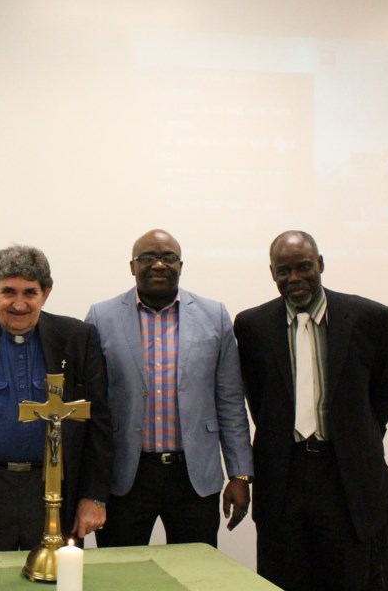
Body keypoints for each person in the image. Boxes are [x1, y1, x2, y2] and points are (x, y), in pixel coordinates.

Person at [234, 230, 388, 590]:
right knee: (283, 578)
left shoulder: (369, 318)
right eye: (284, 271)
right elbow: (256, 396)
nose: (294, 278)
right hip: (283, 476)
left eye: (304, 267)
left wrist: (356, 434)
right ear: (272, 274)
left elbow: (386, 390)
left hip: (345, 478)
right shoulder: (252, 326)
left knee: (348, 578)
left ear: (321, 264)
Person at [0, 245, 112, 551]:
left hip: (55, 490)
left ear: (46, 293)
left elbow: (100, 423)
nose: (19, 304)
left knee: (55, 581)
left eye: (30, 292)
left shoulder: (78, 339)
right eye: (8, 292)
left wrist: (94, 496)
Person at [85, 229, 253, 548]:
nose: (158, 265)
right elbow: (93, 406)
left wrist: (240, 474)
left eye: (168, 258)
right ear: (132, 267)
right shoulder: (101, 317)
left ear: (181, 265)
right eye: (147, 258)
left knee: (195, 573)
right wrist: (89, 485)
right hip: (126, 476)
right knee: (121, 575)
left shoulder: (214, 316)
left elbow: (230, 401)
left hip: (193, 476)